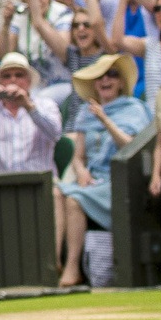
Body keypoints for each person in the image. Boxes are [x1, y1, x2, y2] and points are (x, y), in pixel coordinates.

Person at [55, 54, 153, 287]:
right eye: (100, 76)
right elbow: (78, 157)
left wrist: (105, 119)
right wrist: (81, 172)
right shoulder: (85, 113)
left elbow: (129, 148)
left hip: (120, 180)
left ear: (121, 82)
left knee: (74, 200)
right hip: (93, 179)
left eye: (112, 75)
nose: (105, 80)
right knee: (56, 193)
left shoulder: (135, 109)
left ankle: (72, 267)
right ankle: (54, 260)